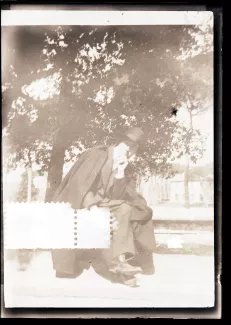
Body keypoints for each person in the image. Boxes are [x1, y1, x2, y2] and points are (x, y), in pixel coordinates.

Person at [51, 127, 156, 287]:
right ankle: (117, 264)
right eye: (128, 145)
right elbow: (80, 185)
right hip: (83, 205)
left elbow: (118, 197)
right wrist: (93, 209)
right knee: (110, 215)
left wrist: (120, 173)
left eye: (134, 147)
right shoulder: (97, 155)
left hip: (105, 205)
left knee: (127, 209)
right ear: (122, 143)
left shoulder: (125, 166)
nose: (129, 150)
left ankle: (120, 260)